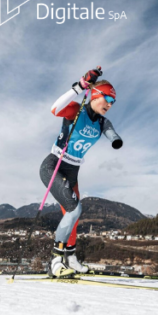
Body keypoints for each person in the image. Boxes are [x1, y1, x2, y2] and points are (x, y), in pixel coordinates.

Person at [41, 66, 123, 277]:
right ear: (95, 96)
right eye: (108, 99)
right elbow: (54, 109)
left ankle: (71, 258)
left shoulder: (102, 122)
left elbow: (111, 132)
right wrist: (80, 86)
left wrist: (115, 140)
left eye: (113, 102)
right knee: (74, 210)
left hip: (73, 171)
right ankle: (55, 261)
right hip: (54, 166)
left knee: (74, 217)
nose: (110, 105)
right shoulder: (76, 111)